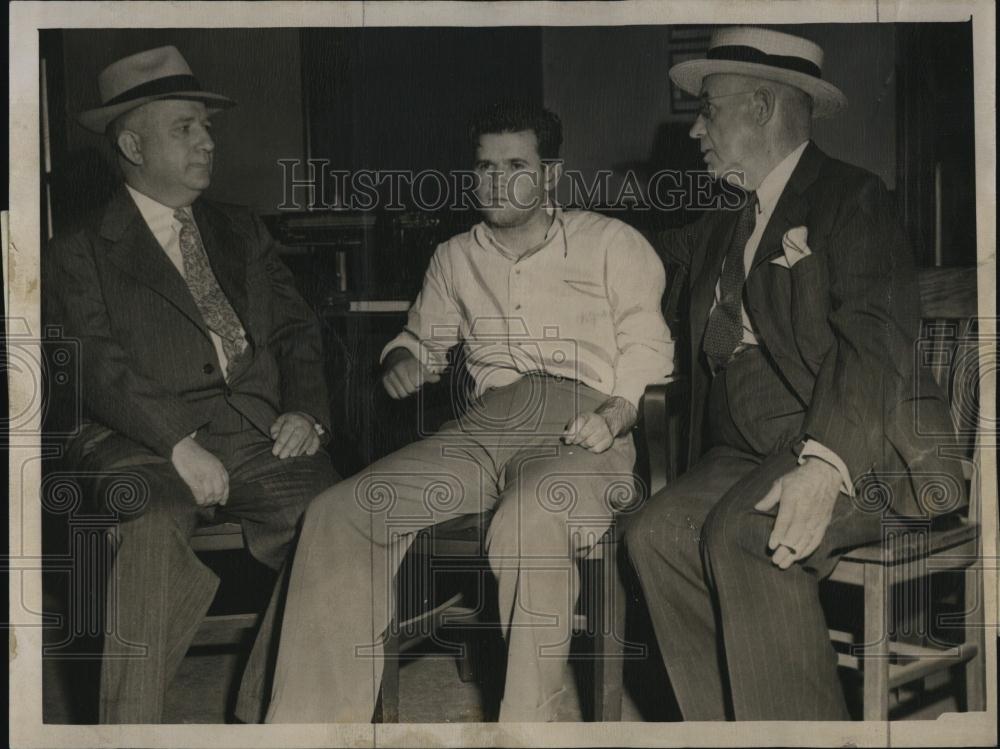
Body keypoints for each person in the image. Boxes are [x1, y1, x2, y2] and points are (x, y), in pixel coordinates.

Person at [236, 103, 673, 723]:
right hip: (484, 425)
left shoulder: (611, 243)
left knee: (528, 519)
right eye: (485, 167)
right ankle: (310, 729)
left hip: (587, 425)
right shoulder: (453, 256)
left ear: (550, 174)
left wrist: (616, 414)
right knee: (340, 511)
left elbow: (649, 349)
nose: (496, 182)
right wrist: (403, 360)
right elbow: (422, 339)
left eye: (516, 166)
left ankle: (529, 729)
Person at [625, 27, 965, 720]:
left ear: (761, 106)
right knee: (654, 534)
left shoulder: (852, 197)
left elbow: (875, 339)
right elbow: (635, 250)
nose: (694, 131)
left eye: (708, 110)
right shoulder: (724, 221)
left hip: (862, 444)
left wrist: (824, 463)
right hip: (745, 450)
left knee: (748, 533)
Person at [45, 46, 337, 723]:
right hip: (137, 440)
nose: (207, 140)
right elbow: (96, 363)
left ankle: (269, 706)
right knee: (148, 522)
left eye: (206, 126)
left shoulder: (243, 229)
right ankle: (126, 728)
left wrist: (305, 410)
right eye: (184, 128)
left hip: (257, 434)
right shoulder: (77, 251)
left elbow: (297, 329)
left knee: (336, 517)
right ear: (132, 145)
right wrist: (177, 442)